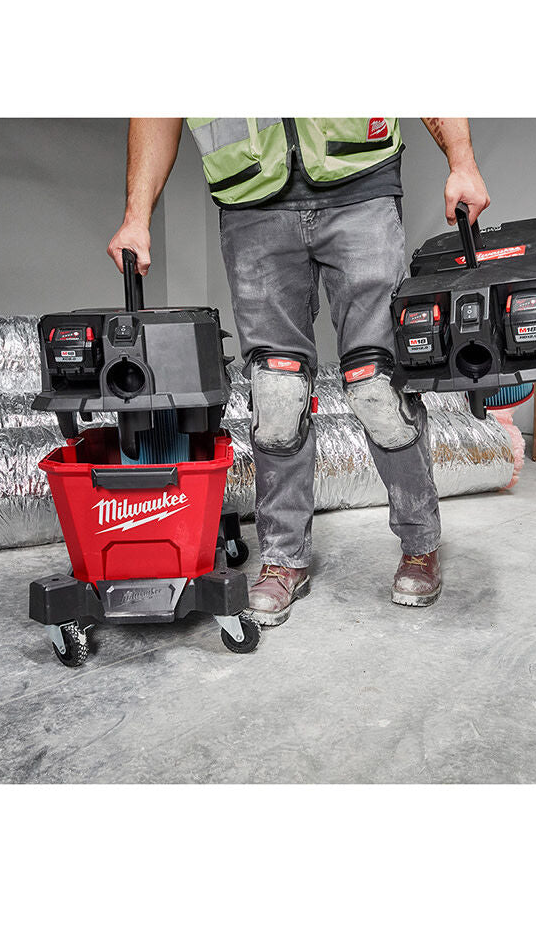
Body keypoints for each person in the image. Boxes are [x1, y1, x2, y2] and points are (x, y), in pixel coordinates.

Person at [107, 118, 490, 627]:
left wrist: (462, 161)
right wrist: (136, 216)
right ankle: (284, 558)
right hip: (251, 204)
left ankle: (421, 546)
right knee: (277, 392)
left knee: (378, 387)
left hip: (359, 188)